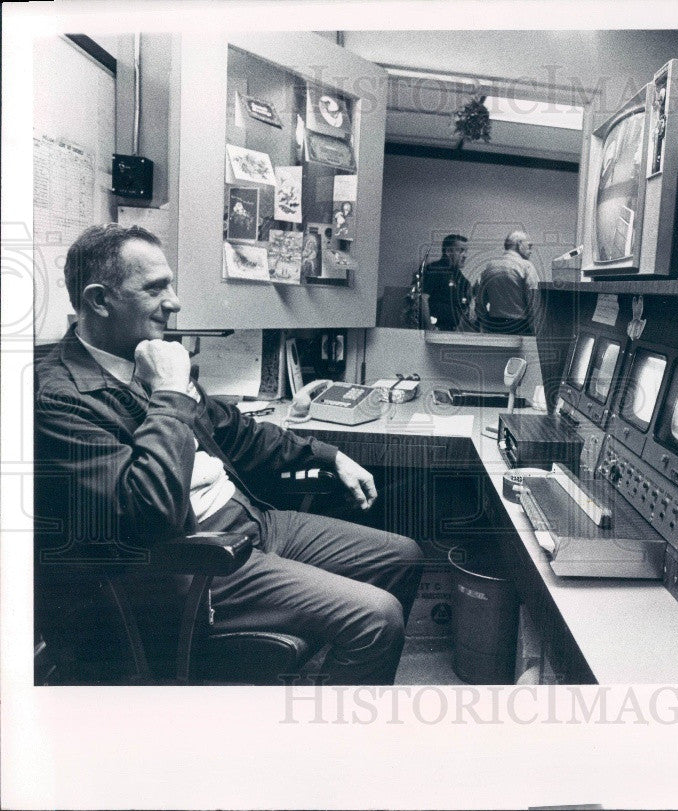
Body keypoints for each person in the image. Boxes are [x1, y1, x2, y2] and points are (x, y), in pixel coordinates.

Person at [34, 224, 423, 685]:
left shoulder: (146, 358)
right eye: (156, 288)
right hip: (192, 559)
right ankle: (329, 746)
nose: (175, 301)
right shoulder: (59, 398)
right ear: (99, 300)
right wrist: (172, 391)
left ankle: (320, 687)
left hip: (250, 520)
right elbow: (147, 511)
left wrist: (326, 454)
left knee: (402, 555)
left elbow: (236, 431)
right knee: (376, 617)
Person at [473, 230, 540, 335]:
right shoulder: (527, 266)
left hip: (494, 325)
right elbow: (533, 303)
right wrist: (536, 330)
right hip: (520, 326)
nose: (531, 251)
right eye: (529, 246)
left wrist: (486, 323)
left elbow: (480, 303)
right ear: (519, 244)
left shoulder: (490, 267)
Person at [417, 234, 471, 331]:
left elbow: (464, 309)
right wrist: (429, 328)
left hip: (451, 332)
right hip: (433, 330)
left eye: (466, 251)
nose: (465, 256)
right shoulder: (435, 270)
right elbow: (423, 298)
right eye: (461, 251)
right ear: (448, 251)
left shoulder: (463, 280)